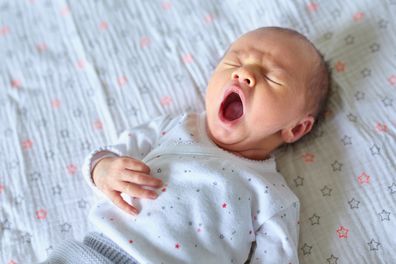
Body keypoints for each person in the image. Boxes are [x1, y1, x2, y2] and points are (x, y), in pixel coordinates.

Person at [42, 26, 330, 264]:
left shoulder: (273, 196)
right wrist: (103, 170)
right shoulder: (174, 126)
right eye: (234, 61)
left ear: (296, 127)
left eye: (271, 76)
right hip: (91, 252)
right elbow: (112, 153)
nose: (244, 74)